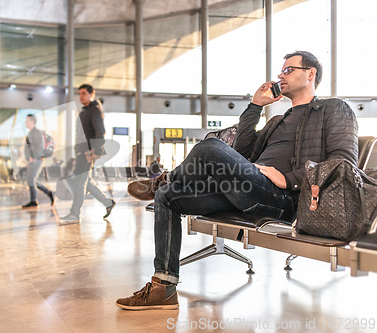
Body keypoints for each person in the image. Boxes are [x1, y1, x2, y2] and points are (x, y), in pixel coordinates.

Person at [118, 51, 358, 310]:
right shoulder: (277, 121)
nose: (280, 75)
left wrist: (288, 180)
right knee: (168, 197)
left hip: (284, 199)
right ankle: (163, 288)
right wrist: (255, 107)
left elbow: (343, 162)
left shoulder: (334, 109)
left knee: (209, 147)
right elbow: (242, 152)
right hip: (249, 188)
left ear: (310, 73)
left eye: (288, 70)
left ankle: (162, 180)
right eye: (281, 70)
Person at [59, 84, 116, 224]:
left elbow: (100, 131)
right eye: (80, 93)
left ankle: (74, 213)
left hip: (87, 153)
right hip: (81, 152)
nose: (81, 96)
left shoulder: (94, 110)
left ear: (91, 94)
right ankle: (108, 203)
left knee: (79, 183)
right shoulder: (85, 111)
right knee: (86, 182)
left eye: (84, 93)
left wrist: (96, 151)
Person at [21, 114, 54, 209]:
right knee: (31, 180)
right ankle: (48, 194)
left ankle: (34, 201)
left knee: (31, 180)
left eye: (27, 121)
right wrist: (28, 158)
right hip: (32, 160)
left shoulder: (37, 133)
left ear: (32, 122)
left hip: (36, 160)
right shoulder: (30, 133)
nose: (25, 123)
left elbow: (40, 146)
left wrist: (33, 157)